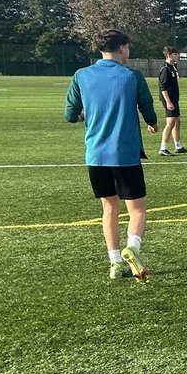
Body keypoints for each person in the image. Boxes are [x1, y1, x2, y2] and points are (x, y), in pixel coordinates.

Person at [64, 29, 158, 280]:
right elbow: (147, 106)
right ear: (123, 48)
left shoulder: (81, 75)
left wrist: (80, 116)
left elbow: (70, 113)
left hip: (95, 155)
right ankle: (133, 248)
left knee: (109, 209)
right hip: (125, 154)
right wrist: (152, 122)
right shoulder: (131, 76)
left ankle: (115, 263)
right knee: (137, 210)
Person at [157, 46, 187, 155]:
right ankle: (163, 148)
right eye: (175, 54)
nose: (178, 56)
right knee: (171, 123)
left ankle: (178, 146)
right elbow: (163, 88)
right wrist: (168, 102)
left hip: (174, 99)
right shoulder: (165, 69)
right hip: (169, 100)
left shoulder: (173, 68)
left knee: (177, 122)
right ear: (169, 55)